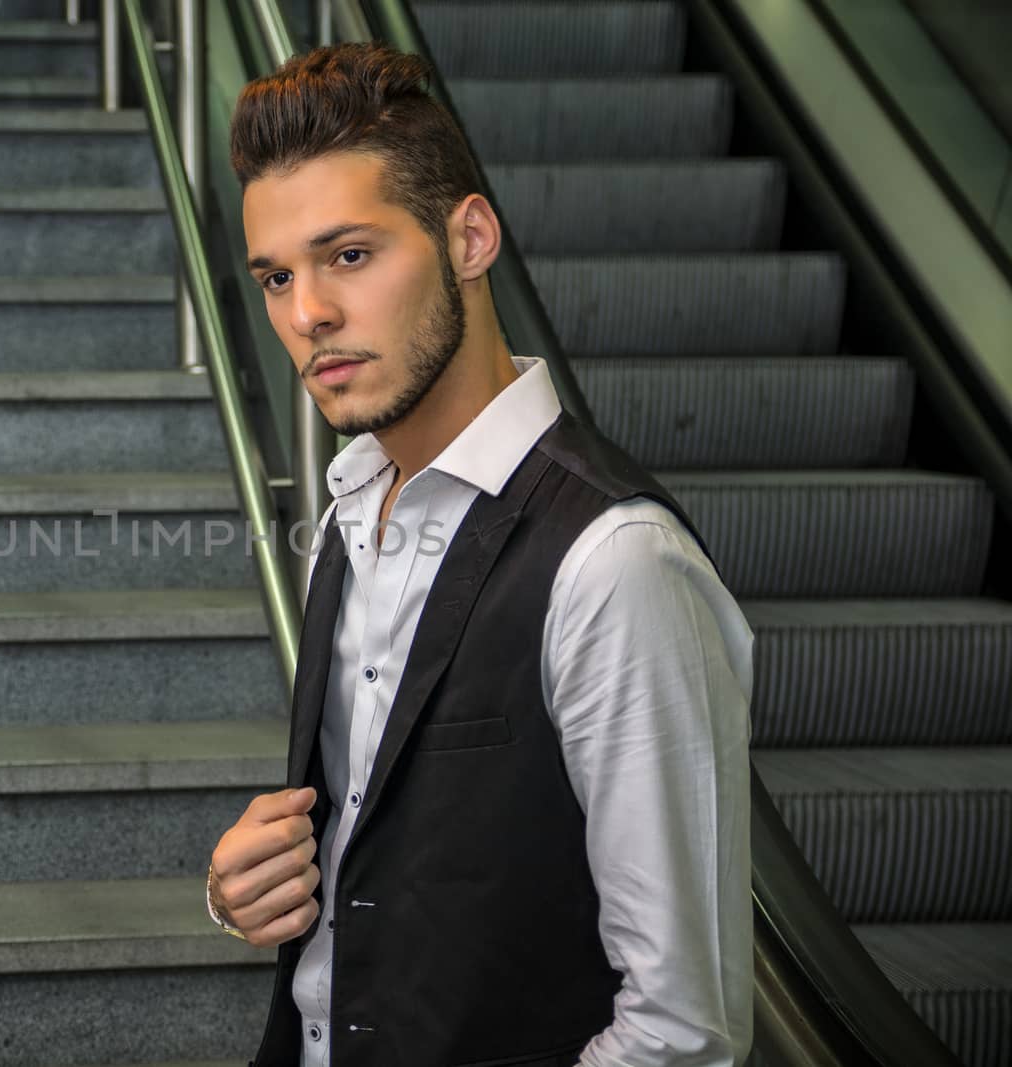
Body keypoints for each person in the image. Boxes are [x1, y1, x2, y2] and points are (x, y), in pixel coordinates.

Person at [204, 43, 754, 1066]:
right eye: (277, 275)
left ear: (468, 236)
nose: (305, 312)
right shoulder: (347, 509)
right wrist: (245, 884)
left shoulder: (613, 563)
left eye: (350, 255)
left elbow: (681, 1026)